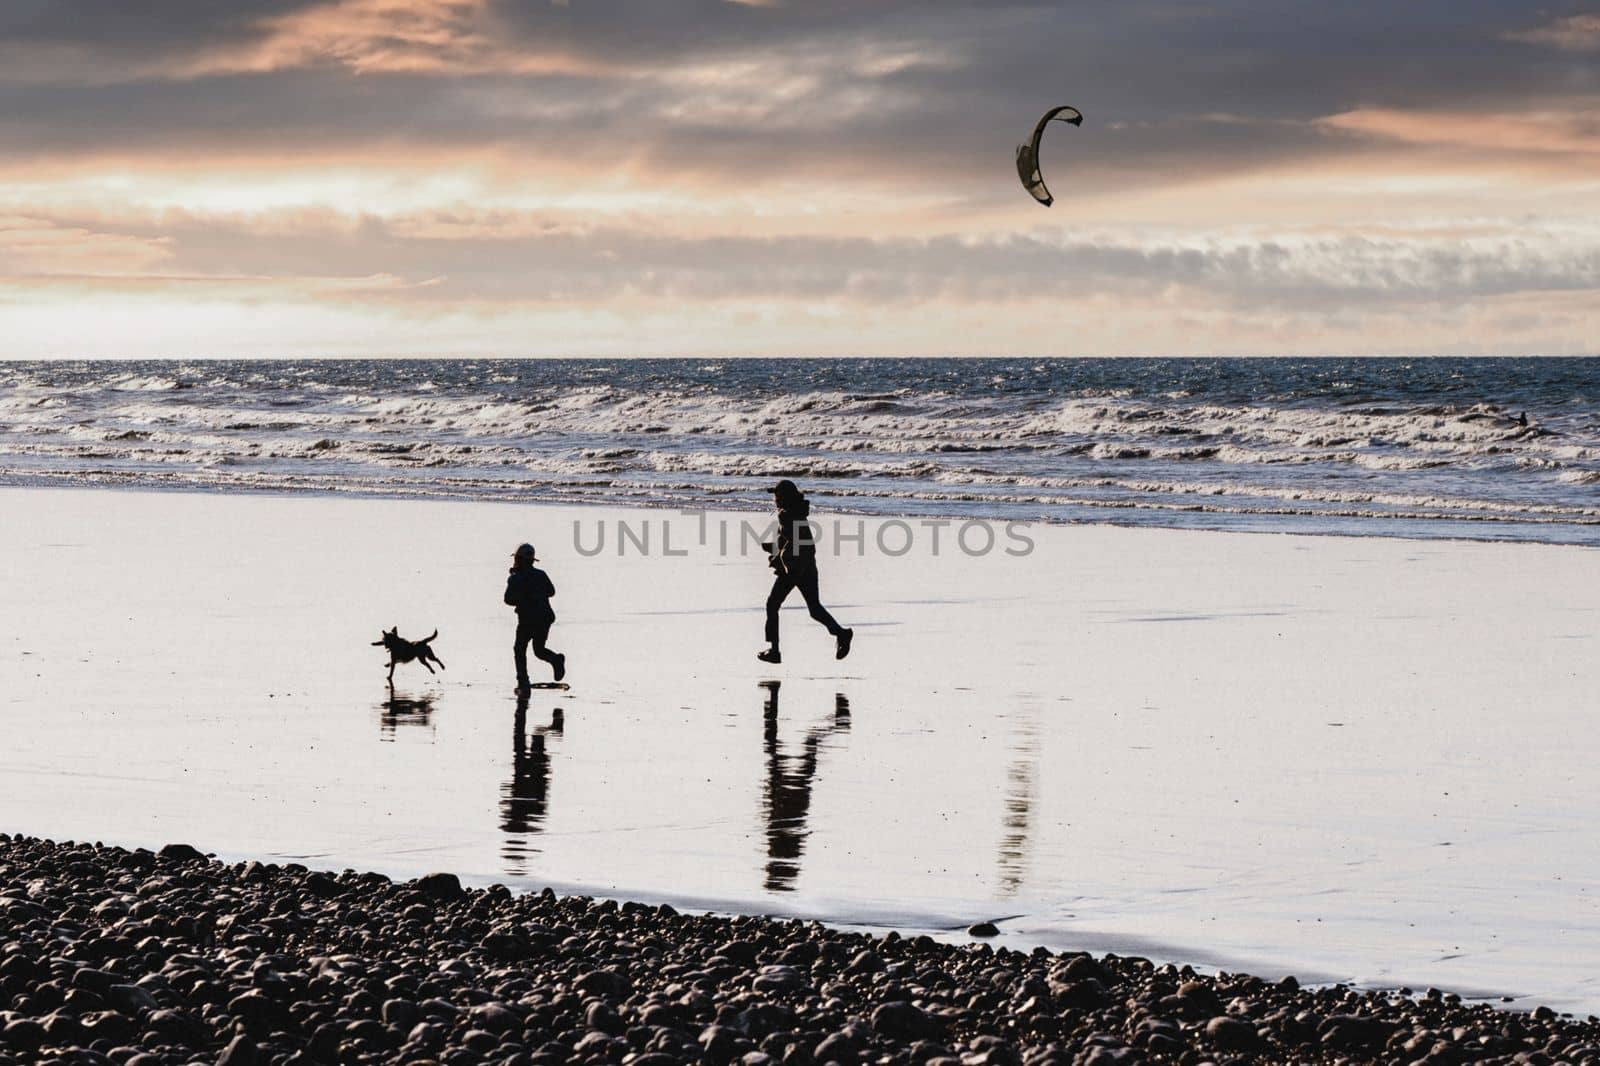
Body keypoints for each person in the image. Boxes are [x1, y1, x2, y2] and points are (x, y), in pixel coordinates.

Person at [758, 480, 853, 664]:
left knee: (772, 604)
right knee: (814, 609)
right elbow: (797, 542)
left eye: (777, 496)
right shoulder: (799, 513)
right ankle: (841, 633)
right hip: (807, 565)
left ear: (784, 497)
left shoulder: (786, 515)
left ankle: (775, 650)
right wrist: (775, 548)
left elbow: (791, 543)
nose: (774, 499)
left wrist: (772, 548)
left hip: (793, 568)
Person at [505, 543, 564, 689]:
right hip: (544, 617)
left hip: (527, 620)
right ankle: (556, 660)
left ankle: (523, 680)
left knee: (519, 649)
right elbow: (551, 592)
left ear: (518, 560)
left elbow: (508, 599)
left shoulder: (516, 578)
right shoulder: (540, 574)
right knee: (539, 649)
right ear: (532, 561)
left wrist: (520, 591)